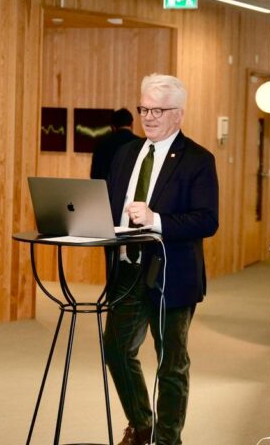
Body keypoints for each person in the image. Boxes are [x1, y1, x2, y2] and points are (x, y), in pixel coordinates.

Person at [103, 74, 219, 445]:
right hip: (127, 269)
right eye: (143, 108)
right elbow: (111, 205)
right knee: (117, 350)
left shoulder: (198, 160)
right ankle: (141, 425)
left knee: (170, 363)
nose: (148, 117)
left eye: (157, 110)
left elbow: (207, 220)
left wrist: (155, 219)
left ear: (178, 115)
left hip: (171, 274)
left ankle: (168, 440)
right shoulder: (125, 154)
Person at [91, 108, 140, 180]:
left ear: (113, 126)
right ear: (132, 124)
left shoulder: (101, 144)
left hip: (107, 189)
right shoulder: (141, 144)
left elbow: (95, 175)